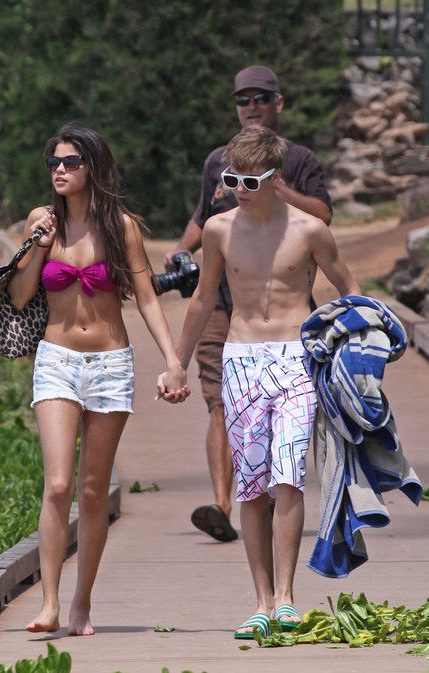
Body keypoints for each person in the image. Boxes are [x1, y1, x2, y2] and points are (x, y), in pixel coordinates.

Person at [161, 126, 360, 639]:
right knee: (251, 485)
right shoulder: (220, 230)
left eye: (249, 181)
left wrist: (365, 348)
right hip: (242, 359)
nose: (237, 190)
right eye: (230, 180)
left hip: (296, 356)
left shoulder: (310, 230)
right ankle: (261, 601)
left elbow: (350, 289)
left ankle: (288, 597)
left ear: (274, 178)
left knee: (288, 472)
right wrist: (178, 363)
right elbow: (204, 299)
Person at [8, 122, 189, 635]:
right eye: (53, 164)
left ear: (93, 167)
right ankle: (48, 602)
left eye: (70, 162)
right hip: (57, 359)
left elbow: (148, 297)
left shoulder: (122, 226)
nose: (59, 171)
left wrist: (172, 360)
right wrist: (38, 248)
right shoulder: (41, 221)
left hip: (111, 364)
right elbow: (21, 296)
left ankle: (81, 604)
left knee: (92, 491)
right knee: (59, 483)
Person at [165, 65, 332, 544]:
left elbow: (322, 215)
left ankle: (278, 496)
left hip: (285, 317)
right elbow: (204, 217)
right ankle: (223, 504)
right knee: (218, 400)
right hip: (223, 304)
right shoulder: (218, 161)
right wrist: (180, 252)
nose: (252, 106)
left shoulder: (300, 161)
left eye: (261, 97)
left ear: (278, 103)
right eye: (243, 99)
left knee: (285, 427)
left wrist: (273, 186)